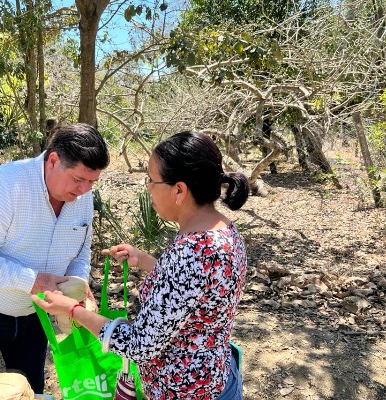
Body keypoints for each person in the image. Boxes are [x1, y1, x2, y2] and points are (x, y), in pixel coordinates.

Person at [33, 131, 249, 400]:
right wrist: (145, 261)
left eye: (152, 180)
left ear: (179, 190)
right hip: (217, 378)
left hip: (185, 391)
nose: (148, 189)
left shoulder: (190, 251)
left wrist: (72, 310)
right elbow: (194, 290)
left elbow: (138, 345)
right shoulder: (223, 232)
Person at [0, 123, 110, 394]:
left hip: (34, 314)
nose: (84, 190)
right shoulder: (5, 185)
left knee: (29, 392)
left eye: (92, 182)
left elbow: (80, 250)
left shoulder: (83, 195)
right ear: (53, 160)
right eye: (78, 179)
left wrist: (77, 285)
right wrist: (33, 281)